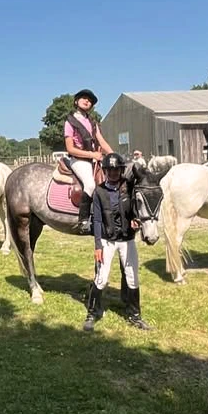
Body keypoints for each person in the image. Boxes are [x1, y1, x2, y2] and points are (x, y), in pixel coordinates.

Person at [84, 152, 148, 331]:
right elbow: (97, 220)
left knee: (132, 277)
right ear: (105, 171)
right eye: (109, 170)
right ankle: (92, 313)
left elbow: (135, 209)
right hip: (107, 240)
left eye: (116, 170)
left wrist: (135, 220)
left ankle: (135, 315)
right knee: (102, 278)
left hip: (127, 240)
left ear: (121, 170)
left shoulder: (129, 187)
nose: (113, 173)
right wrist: (98, 245)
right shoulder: (99, 191)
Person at [64, 89, 114, 234]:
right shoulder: (70, 122)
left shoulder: (92, 122)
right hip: (79, 160)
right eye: (84, 98)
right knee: (90, 184)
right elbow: (70, 149)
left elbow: (102, 142)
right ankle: (83, 220)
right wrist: (92, 154)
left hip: (93, 159)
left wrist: (113, 156)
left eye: (90, 100)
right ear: (76, 101)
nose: (87, 101)